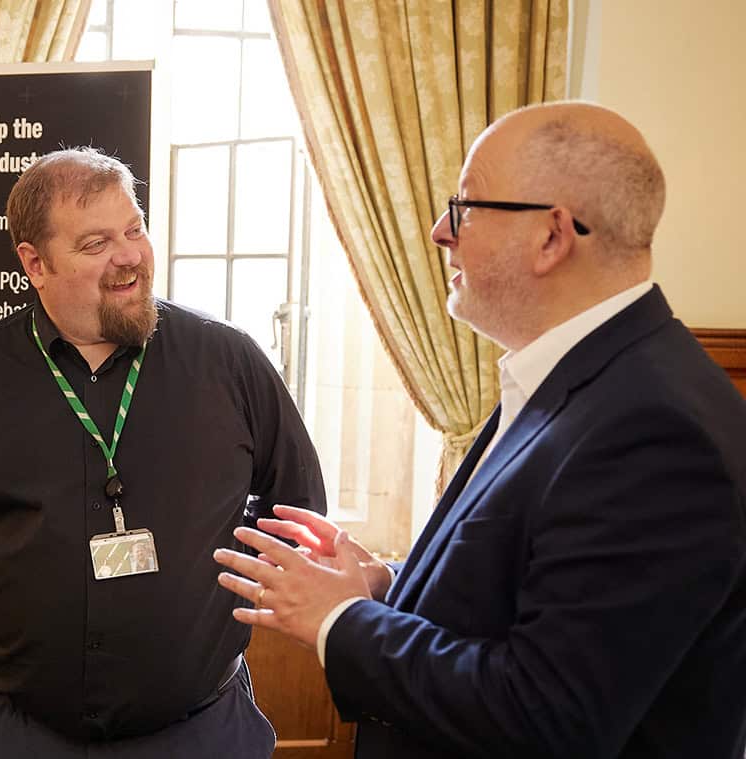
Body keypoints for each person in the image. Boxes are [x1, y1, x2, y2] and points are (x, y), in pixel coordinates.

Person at [213, 101, 746, 758]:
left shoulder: (657, 431)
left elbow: (547, 714)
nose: (441, 231)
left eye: (465, 207)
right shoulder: (573, 371)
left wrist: (337, 618)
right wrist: (384, 582)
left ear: (552, 236)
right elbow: (529, 582)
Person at [0, 146, 326, 758]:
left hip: (198, 732)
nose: (128, 256)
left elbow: (299, 510)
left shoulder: (229, 361)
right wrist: (21, 576)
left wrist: (208, 579)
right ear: (34, 263)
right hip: (17, 735)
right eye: (96, 244)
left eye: (134, 228)